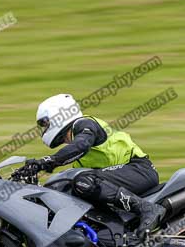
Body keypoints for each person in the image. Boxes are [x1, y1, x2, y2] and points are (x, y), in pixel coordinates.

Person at [24, 93, 165, 238]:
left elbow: (81, 145)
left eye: (45, 123)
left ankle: (147, 209)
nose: (44, 128)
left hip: (139, 170)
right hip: (127, 175)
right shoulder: (78, 157)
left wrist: (47, 161)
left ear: (58, 114)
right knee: (69, 187)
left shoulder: (84, 124)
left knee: (82, 181)